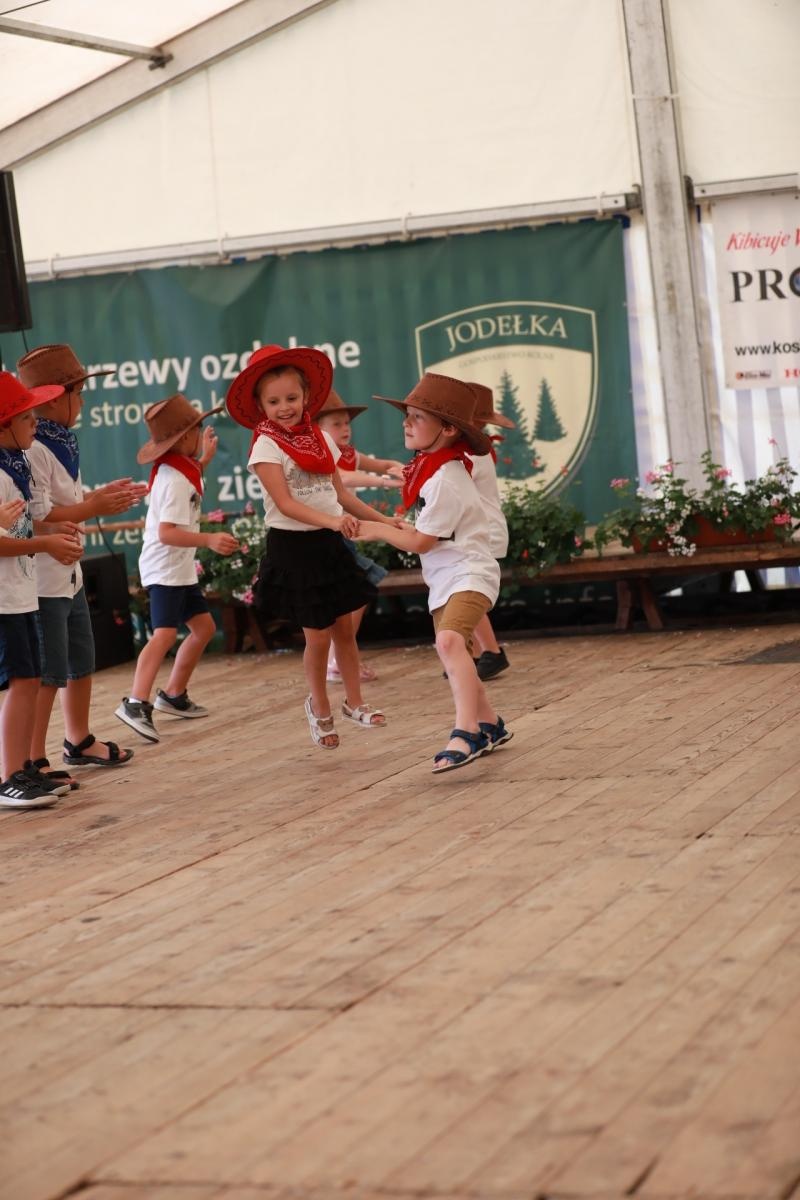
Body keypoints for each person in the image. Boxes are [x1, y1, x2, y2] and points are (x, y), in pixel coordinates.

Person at [226, 344, 399, 749]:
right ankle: (319, 706)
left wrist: (384, 519)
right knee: (317, 636)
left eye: (291, 398)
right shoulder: (265, 446)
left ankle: (354, 703)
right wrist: (335, 521)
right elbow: (286, 504)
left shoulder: (320, 438)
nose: (284, 407)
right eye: (273, 401)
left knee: (345, 630)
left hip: (328, 543)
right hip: (293, 548)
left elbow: (341, 493)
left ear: (306, 397)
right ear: (260, 405)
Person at [358, 372, 513, 773]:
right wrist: (390, 527)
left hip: (470, 574)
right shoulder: (433, 468)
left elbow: (423, 543)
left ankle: (467, 732)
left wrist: (376, 529)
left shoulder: (444, 477)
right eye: (407, 415)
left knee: (448, 644)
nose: (406, 423)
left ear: (446, 428)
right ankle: (491, 723)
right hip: (448, 577)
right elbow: (429, 534)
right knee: (452, 649)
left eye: (416, 417)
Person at [18, 343, 146, 782]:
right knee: (48, 671)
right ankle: (32, 758)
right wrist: (94, 506)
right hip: (42, 577)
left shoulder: (59, 441)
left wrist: (97, 497)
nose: (84, 401)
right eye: (80, 392)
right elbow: (38, 516)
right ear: (56, 397)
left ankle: (78, 738)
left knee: (80, 658)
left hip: (67, 571)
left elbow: (66, 498)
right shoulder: (33, 447)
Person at [115, 394, 238, 743]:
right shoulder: (173, 479)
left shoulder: (181, 469)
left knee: (202, 628)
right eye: (197, 429)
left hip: (178, 569)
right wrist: (210, 540)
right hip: (165, 568)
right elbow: (167, 533)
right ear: (184, 438)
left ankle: (173, 695)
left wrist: (205, 460)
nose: (200, 434)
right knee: (165, 634)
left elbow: (190, 486)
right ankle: (136, 702)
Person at [0, 371, 84, 809]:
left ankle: (25, 767)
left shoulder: (14, 467)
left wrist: (51, 530)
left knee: (29, 678)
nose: (35, 424)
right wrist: (44, 542)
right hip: (5, 598)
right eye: (26, 417)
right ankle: (9, 775)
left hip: (20, 593)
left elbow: (23, 522)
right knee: (21, 680)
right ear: (3, 424)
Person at [315, 388, 404, 684]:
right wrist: (383, 481)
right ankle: (337, 661)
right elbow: (344, 479)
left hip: (342, 534)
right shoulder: (321, 454)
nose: (345, 429)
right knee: (355, 593)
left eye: (346, 423)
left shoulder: (348, 455)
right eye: (336, 424)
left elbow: (383, 464)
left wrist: (406, 469)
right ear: (319, 430)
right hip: (326, 534)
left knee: (356, 595)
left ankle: (338, 660)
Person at [466, 382, 514, 680]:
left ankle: (492, 652)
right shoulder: (472, 450)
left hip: (483, 532)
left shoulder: (473, 453)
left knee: (469, 593)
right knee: (462, 589)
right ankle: (471, 654)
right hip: (479, 530)